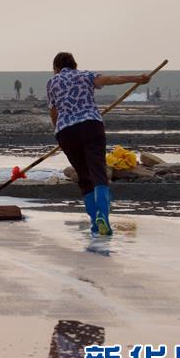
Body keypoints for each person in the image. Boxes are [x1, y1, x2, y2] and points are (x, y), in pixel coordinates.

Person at [46, 52, 149, 235]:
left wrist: (59, 131)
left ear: (56, 68)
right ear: (75, 65)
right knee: (98, 173)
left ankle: (95, 223)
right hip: (91, 126)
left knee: (85, 179)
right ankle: (103, 216)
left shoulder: (52, 83)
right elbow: (110, 79)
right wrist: (137, 79)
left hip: (66, 132)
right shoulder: (85, 76)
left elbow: (54, 112)